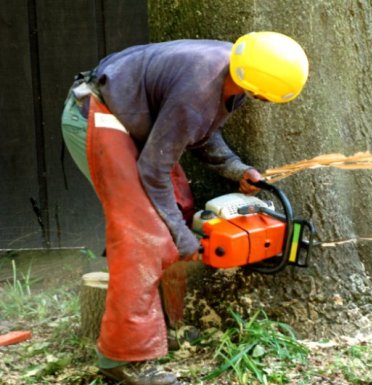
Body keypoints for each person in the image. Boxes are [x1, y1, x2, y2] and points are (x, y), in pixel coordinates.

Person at [61, 31, 309, 385]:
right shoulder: (201, 87)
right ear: (255, 84)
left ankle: (167, 325)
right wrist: (181, 235)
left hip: (131, 117)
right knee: (144, 233)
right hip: (98, 114)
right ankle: (123, 359)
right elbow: (154, 169)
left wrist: (235, 169)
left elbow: (201, 130)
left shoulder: (238, 68)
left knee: (178, 205)